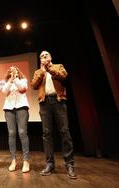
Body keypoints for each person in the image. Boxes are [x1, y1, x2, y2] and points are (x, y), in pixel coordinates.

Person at [31, 50, 77, 179]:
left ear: (50, 57)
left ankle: (69, 164)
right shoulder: (38, 72)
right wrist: (42, 72)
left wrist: (49, 69)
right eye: (41, 56)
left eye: (46, 55)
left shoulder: (58, 66)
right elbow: (34, 85)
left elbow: (63, 76)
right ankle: (50, 164)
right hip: (44, 103)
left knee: (65, 131)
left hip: (58, 101)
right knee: (47, 134)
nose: (44, 56)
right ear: (40, 60)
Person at [2, 66, 30, 173]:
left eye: (15, 70)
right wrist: (10, 80)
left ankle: (26, 161)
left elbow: (22, 89)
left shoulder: (23, 80)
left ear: (18, 72)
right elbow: (5, 92)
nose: (13, 71)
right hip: (9, 109)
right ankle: (13, 160)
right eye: (11, 70)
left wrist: (16, 78)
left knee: (22, 133)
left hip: (21, 107)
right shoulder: (7, 82)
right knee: (11, 133)